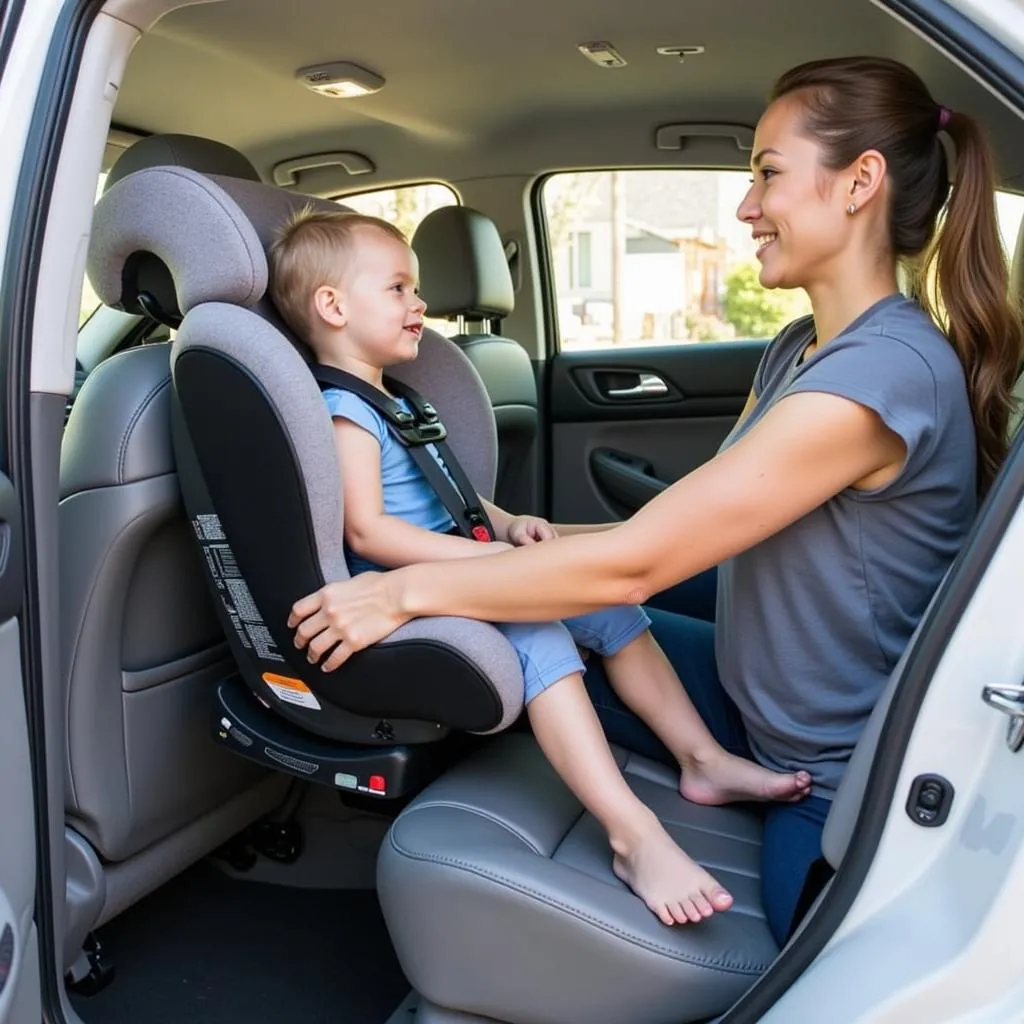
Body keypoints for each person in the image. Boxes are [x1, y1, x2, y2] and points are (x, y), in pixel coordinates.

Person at [287, 55, 1024, 945]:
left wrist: (397, 589)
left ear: (860, 182)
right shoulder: (801, 347)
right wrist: (530, 545)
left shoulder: (882, 376)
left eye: (767, 174)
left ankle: (662, 822)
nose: (746, 207)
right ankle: (699, 761)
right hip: (750, 699)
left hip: (831, 772)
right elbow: (680, 526)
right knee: (561, 614)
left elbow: (641, 560)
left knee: (821, 953)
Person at [266, 207, 813, 928]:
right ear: (332, 306)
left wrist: (506, 524)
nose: (419, 303)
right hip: (405, 590)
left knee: (613, 608)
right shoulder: (345, 410)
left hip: (456, 564)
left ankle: (701, 759)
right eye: (397, 288)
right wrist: (488, 560)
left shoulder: (395, 400)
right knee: (542, 634)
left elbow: (451, 494)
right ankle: (631, 833)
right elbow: (369, 529)